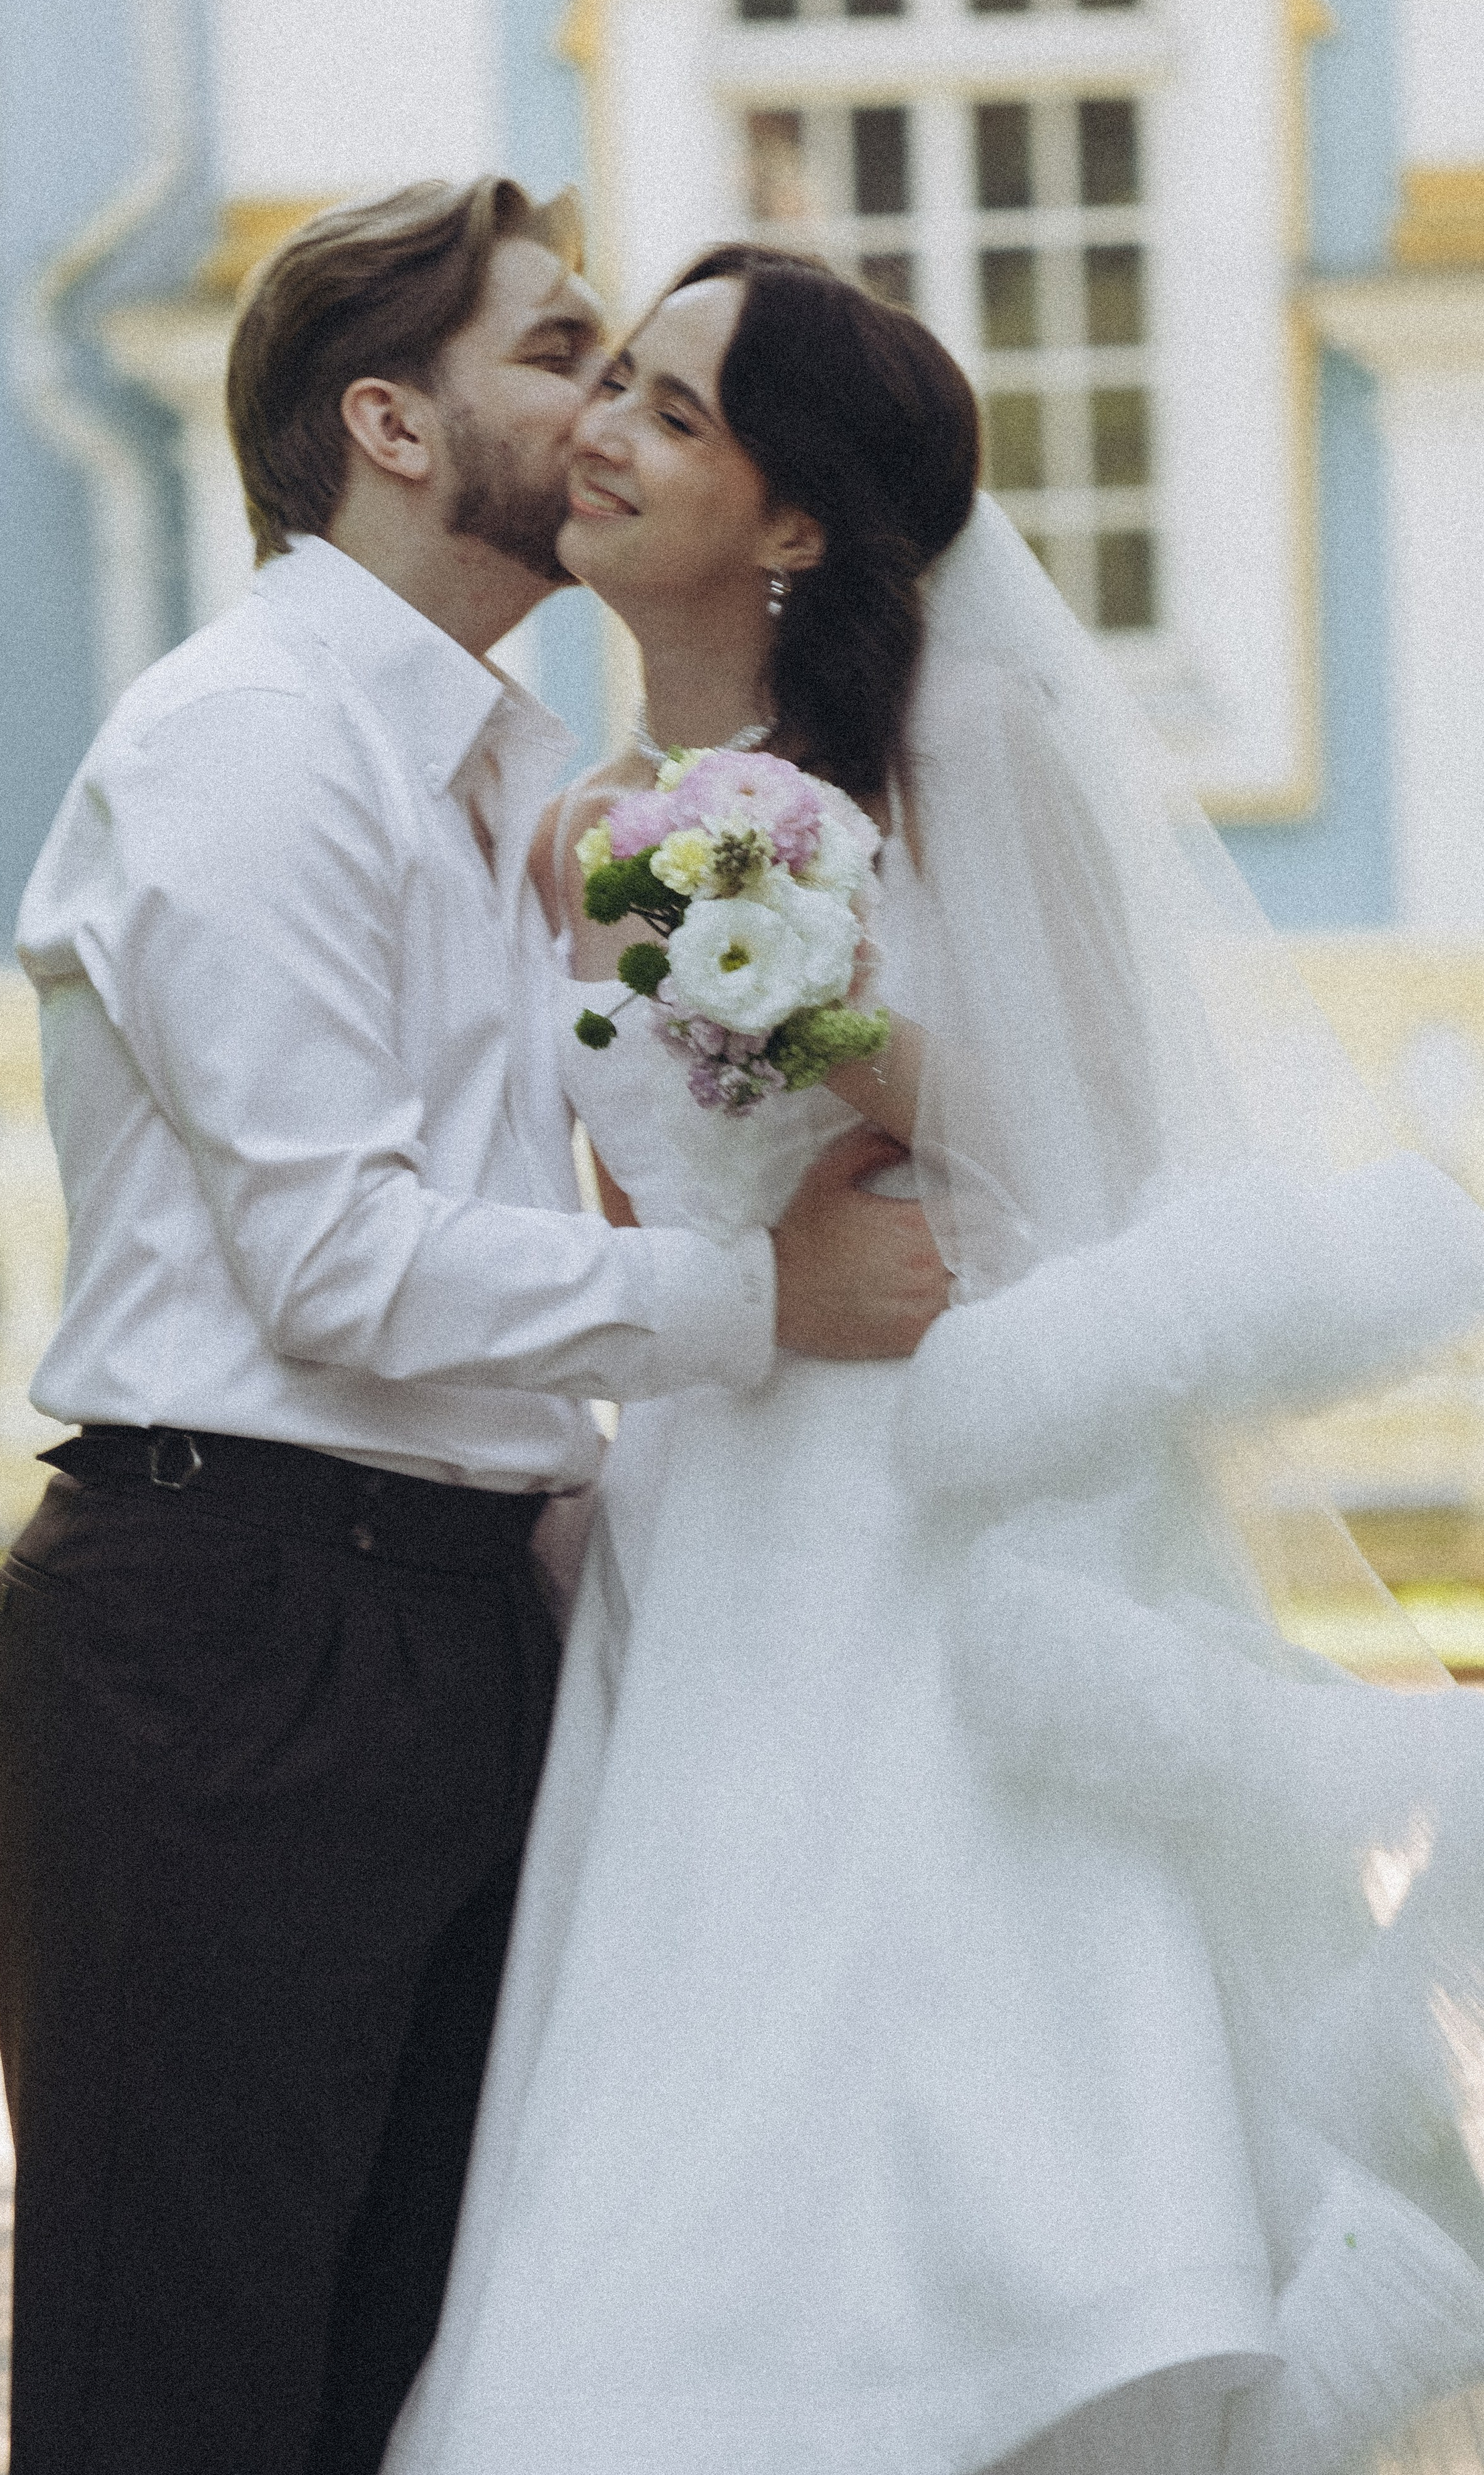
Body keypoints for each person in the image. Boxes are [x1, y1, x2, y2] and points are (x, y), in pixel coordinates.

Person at [383, 248, 1484, 2475]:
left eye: (677, 412)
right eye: (614, 385)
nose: (606, 432)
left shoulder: (964, 743)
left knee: (982, 2089)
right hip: (711, 1531)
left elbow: (1117, 1146)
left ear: (794, 518)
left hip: (950, 1519)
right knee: (698, 2088)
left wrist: (821, 1013)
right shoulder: (581, 829)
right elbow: (629, 1215)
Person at [0, 187, 950, 2475]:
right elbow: (336, 1262)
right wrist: (758, 1301)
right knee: (182, 2394)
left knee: (401, 2391)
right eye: (562, 354)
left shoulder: (526, 785)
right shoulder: (249, 743)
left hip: (458, 1622)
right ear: (392, 424)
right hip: (229, 1636)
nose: (606, 409)